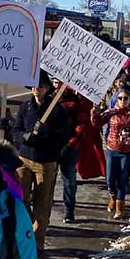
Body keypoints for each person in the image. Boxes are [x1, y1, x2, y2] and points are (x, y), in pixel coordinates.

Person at [11, 70, 68, 255]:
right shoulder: (25, 107)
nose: (37, 89)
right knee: (21, 198)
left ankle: (37, 242)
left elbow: (64, 135)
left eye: (41, 86)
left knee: (42, 203)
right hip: (24, 159)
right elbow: (16, 131)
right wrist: (24, 137)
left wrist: (47, 134)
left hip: (46, 161)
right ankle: (24, 233)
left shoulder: (57, 110)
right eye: (34, 85)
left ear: (47, 88)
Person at [91, 88, 130, 218]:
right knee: (109, 179)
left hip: (126, 152)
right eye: (120, 98)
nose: (123, 101)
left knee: (122, 180)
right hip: (111, 149)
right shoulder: (111, 112)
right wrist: (94, 114)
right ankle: (112, 198)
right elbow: (97, 123)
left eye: (125, 98)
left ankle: (120, 207)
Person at [55, 79, 94, 223]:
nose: (56, 86)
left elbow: (81, 125)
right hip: (52, 147)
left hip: (70, 148)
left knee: (69, 180)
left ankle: (69, 210)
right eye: (54, 83)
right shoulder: (49, 102)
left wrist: (70, 145)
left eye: (59, 83)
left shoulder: (76, 102)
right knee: (47, 180)